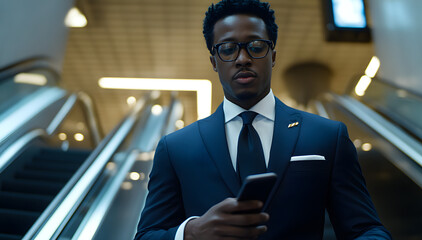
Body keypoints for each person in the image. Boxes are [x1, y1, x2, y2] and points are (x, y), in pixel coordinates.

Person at [134, 0, 391, 239]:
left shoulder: (326, 136)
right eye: (228, 49)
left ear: (273, 56)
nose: (243, 59)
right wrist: (191, 232)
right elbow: (146, 235)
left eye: (256, 47)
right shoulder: (175, 147)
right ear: (214, 61)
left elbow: (365, 229)